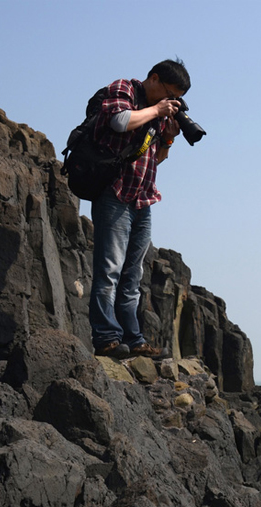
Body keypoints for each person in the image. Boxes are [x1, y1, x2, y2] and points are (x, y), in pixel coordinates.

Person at [89, 59, 190, 358]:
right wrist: (157, 111)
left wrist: (169, 137)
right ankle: (107, 338)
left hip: (143, 198)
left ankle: (133, 339)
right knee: (109, 270)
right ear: (154, 78)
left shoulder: (157, 111)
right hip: (114, 194)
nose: (169, 100)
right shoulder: (125, 89)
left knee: (133, 275)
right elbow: (119, 121)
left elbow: (155, 159)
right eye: (169, 92)